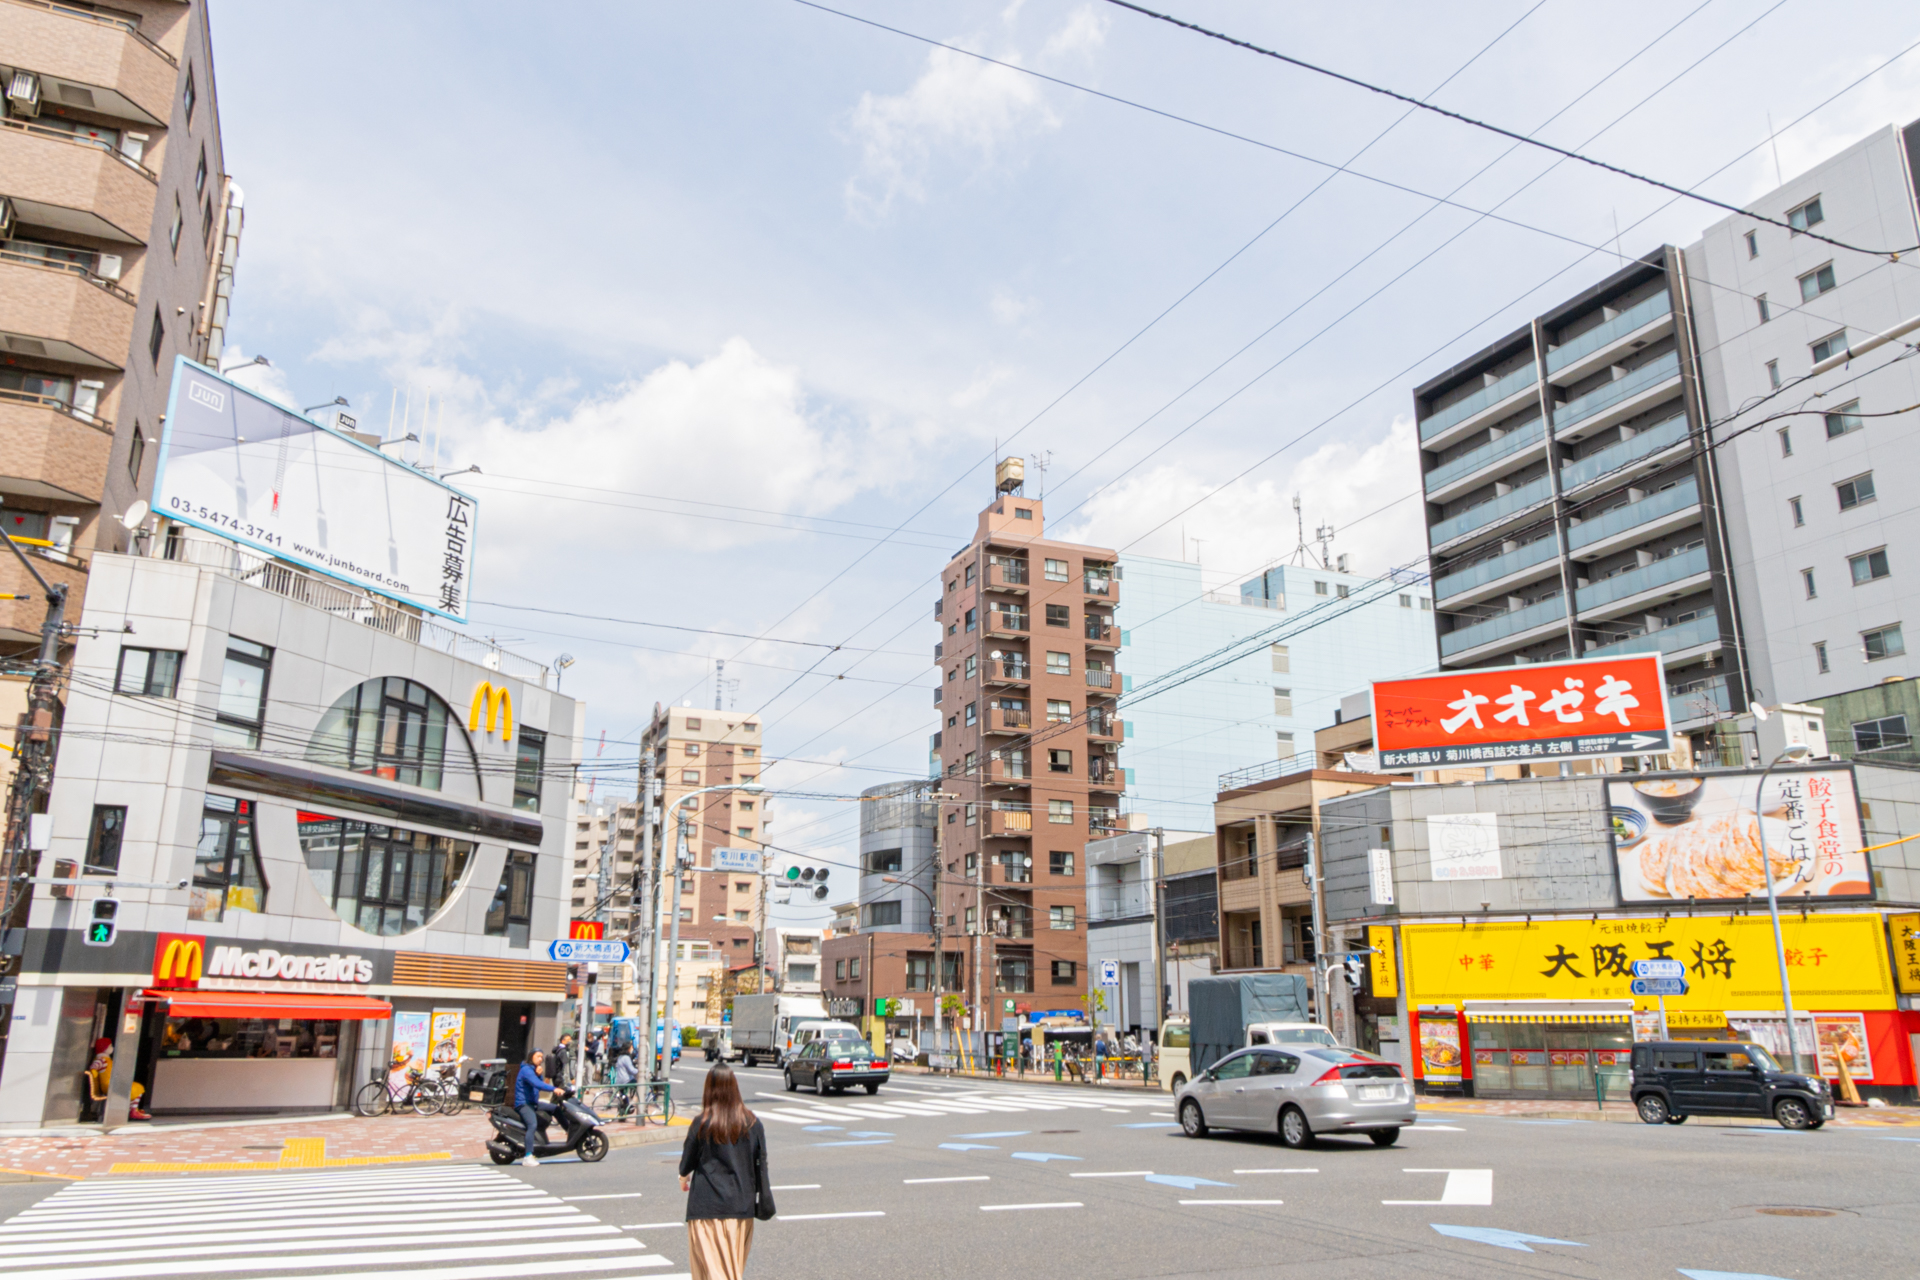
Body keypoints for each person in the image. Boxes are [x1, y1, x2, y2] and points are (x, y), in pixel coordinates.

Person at [679, 1065, 772, 1280]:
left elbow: (686, 1163)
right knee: (731, 1272)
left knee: (710, 1274)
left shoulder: (702, 1122)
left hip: (706, 1209)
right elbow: (761, 1166)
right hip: (741, 1209)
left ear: (708, 1089)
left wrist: (683, 1178)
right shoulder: (752, 1123)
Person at [514, 1048, 559, 1166]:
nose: (540, 1059)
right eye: (538, 1056)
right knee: (532, 1124)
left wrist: (539, 1075)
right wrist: (554, 1089)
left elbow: (539, 1084)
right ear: (531, 1057)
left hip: (533, 1103)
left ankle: (569, 1132)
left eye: (541, 1057)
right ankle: (528, 1156)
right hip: (523, 1103)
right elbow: (537, 1084)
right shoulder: (526, 1070)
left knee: (555, 1108)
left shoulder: (534, 1070)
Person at [81, 1037, 112, 1122]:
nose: (112, 1048)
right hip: (106, 1085)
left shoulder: (105, 1059)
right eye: (110, 1046)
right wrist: (94, 1077)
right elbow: (93, 1068)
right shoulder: (102, 1060)